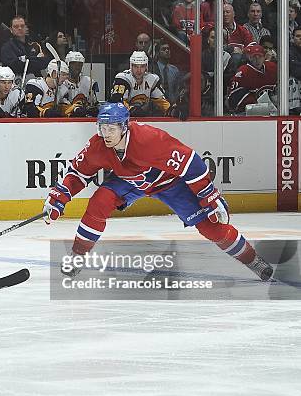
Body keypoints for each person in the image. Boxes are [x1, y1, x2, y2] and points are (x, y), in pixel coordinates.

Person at [43, 102, 274, 281]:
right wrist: (59, 197)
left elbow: (191, 162)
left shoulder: (149, 140)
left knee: (211, 228)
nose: (106, 134)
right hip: (129, 181)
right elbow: (78, 172)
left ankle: (253, 260)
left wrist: (209, 196)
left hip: (170, 183)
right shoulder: (99, 145)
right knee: (99, 201)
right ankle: (77, 255)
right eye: (102, 127)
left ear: (124, 127)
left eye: (111, 128)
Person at [110, 51, 170, 117]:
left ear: (146, 66)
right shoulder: (123, 79)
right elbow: (116, 102)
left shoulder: (152, 79)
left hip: (144, 118)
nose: (139, 70)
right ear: (131, 66)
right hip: (123, 119)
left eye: (142, 66)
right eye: (136, 66)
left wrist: (171, 110)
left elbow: (162, 102)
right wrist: (132, 110)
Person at [227, 44, 276, 113]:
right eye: (254, 56)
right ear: (250, 58)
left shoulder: (272, 67)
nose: (257, 59)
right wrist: (254, 102)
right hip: (248, 112)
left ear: (264, 57)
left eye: (260, 56)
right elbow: (232, 97)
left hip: (273, 111)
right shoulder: (243, 72)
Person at [61, 51, 97, 117]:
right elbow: (63, 107)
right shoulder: (62, 83)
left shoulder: (88, 81)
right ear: (67, 65)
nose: (77, 67)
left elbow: (93, 103)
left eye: (79, 64)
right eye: (74, 64)